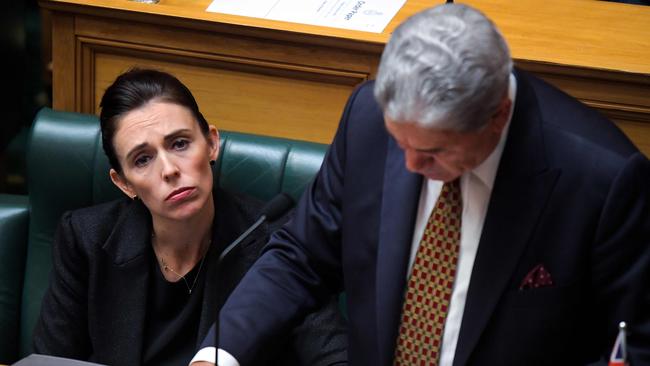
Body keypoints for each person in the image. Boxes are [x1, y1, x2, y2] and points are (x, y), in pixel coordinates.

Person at [193, 4, 650, 366]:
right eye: (400, 141)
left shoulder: (603, 179)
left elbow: (632, 348)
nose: (410, 164)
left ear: (498, 116)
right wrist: (219, 353)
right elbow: (302, 258)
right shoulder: (369, 122)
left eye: (434, 153)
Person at [33, 69, 348, 366]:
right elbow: (50, 360)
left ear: (211, 143)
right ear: (124, 183)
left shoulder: (274, 239)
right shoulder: (85, 240)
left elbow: (335, 356)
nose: (169, 169)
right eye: (143, 159)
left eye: (180, 143)